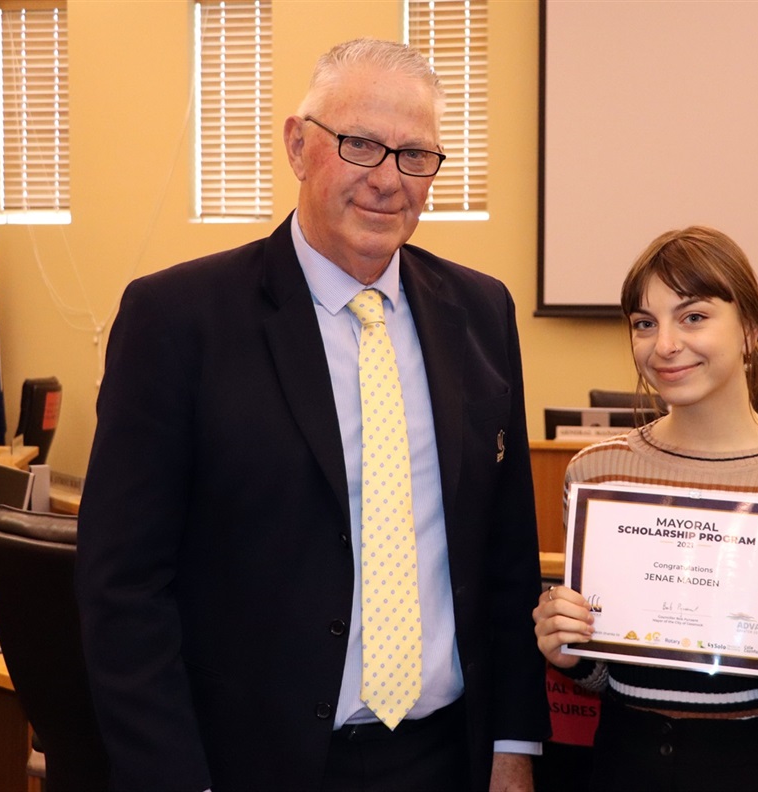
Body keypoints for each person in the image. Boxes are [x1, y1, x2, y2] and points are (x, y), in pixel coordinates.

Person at [76, 38, 549, 792]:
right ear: (299, 145)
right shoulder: (178, 318)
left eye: (416, 156)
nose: (388, 180)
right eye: (360, 144)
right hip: (249, 766)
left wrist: (515, 746)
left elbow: (506, 556)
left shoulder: (481, 311)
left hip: (444, 759)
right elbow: (122, 587)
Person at [532, 227, 758, 791]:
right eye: (645, 322)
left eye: (692, 317)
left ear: (751, 331)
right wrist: (568, 652)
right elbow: (603, 672)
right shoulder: (594, 474)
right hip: (621, 764)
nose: (663, 343)